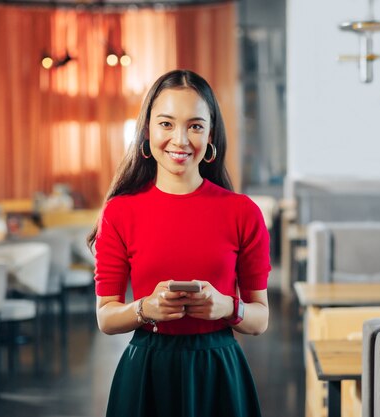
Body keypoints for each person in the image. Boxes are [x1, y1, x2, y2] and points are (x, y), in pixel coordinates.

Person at [87, 69, 271, 417]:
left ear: (210, 133)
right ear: (147, 129)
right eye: (167, 124)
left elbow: (260, 318)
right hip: (147, 372)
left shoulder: (242, 212)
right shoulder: (120, 212)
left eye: (195, 125)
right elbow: (106, 317)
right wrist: (145, 309)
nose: (180, 139)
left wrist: (228, 307)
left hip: (220, 371)